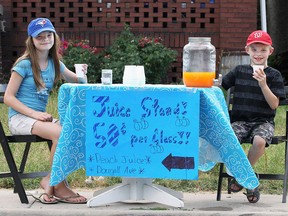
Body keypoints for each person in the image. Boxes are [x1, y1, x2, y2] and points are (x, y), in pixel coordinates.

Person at [3, 18, 88, 204]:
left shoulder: (55, 63)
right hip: (20, 118)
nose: (45, 39)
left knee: (74, 130)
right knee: (61, 132)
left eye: (48, 35)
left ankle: (52, 181)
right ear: (31, 40)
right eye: (39, 36)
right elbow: (8, 97)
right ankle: (56, 185)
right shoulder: (24, 64)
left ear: (54, 37)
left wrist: (83, 74)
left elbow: (78, 81)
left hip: (40, 120)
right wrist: (34, 114)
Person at [221, 30, 286, 203]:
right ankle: (249, 179)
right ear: (247, 50)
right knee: (228, 137)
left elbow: (274, 105)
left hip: (263, 121)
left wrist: (263, 84)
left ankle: (244, 175)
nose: (258, 54)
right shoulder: (239, 71)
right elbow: (221, 85)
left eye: (263, 50)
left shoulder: (274, 75)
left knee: (259, 141)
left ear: (270, 51)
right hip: (240, 121)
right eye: (254, 49)